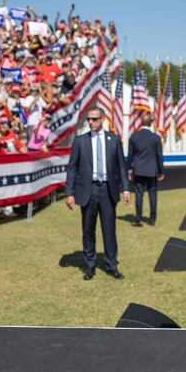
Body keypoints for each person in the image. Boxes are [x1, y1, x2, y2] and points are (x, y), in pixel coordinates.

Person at [65, 108, 131, 281]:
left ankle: (111, 265)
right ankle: (90, 266)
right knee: (88, 230)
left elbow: (121, 167)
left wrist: (125, 189)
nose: (91, 122)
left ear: (102, 119)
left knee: (109, 229)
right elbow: (72, 168)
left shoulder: (114, 140)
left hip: (108, 190)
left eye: (94, 119)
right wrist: (69, 192)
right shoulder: (80, 141)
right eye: (89, 119)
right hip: (88, 190)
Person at [127, 113, 164, 227]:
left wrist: (129, 169)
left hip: (138, 170)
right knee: (152, 194)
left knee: (139, 195)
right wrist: (161, 171)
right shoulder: (156, 138)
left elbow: (130, 155)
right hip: (152, 170)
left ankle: (138, 219)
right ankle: (152, 219)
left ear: (141, 122)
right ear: (151, 123)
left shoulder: (134, 136)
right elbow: (159, 155)